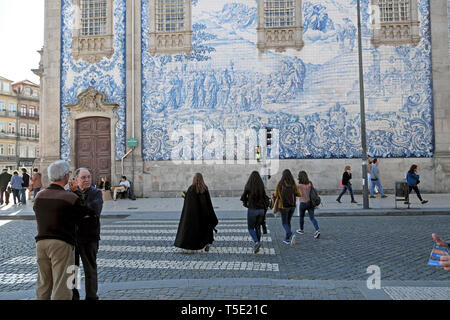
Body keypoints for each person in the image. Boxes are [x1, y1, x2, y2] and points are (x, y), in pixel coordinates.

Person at [33, 160, 94, 300]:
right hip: (62, 243)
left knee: (43, 283)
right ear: (66, 176)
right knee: (62, 285)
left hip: (41, 243)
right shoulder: (70, 197)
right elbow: (86, 212)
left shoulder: (39, 196)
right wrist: (77, 192)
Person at [69, 168, 103, 300]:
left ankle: (91, 296)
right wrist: (83, 214)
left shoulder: (96, 193)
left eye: (88, 177)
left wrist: (82, 212)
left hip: (90, 237)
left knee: (90, 269)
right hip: (73, 237)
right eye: (83, 177)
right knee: (72, 269)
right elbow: (69, 214)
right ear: (76, 179)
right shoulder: (69, 193)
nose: (87, 180)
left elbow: (94, 211)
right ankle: (73, 296)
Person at [174, 173, 218, 252]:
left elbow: (189, 204)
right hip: (204, 215)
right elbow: (208, 203)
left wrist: (185, 196)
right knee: (204, 229)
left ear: (194, 179)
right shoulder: (205, 188)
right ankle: (205, 244)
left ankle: (191, 246)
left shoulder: (191, 189)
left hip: (193, 216)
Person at [240, 171, 269, 254]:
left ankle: (257, 242)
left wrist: (245, 203)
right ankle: (258, 243)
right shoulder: (261, 186)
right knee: (257, 227)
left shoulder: (249, 186)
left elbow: (243, 197)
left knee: (250, 228)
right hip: (261, 210)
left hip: (252, 209)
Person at [273, 169, 302, 246]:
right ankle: (287, 239)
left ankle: (291, 235)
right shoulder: (293, 184)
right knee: (288, 221)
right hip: (292, 206)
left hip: (283, 206)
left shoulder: (280, 184)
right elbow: (299, 194)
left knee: (284, 223)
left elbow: (275, 194)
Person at [296, 171, 320, 239]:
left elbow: (296, 193)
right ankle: (317, 230)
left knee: (301, 217)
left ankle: (301, 229)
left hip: (302, 203)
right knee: (312, 218)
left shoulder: (299, 185)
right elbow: (313, 192)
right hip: (310, 203)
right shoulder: (310, 184)